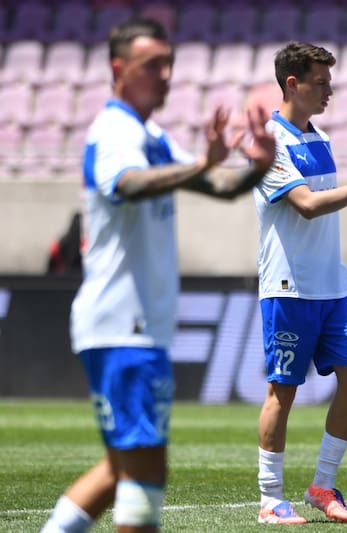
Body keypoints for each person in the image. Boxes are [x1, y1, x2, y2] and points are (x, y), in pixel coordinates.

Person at [40, 18, 276, 533]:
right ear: (118, 69)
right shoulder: (113, 131)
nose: (166, 75)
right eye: (153, 66)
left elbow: (217, 183)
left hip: (135, 327)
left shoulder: (148, 132)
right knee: (144, 474)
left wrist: (257, 167)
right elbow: (129, 184)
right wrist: (198, 166)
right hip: (124, 325)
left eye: (169, 64)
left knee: (118, 469)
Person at [252, 41, 347, 526]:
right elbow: (308, 204)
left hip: (332, 288)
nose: (329, 90)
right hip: (288, 286)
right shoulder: (269, 143)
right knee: (282, 392)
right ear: (293, 83)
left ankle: (322, 485)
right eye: (321, 82)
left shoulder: (320, 136)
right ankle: (271, 500)